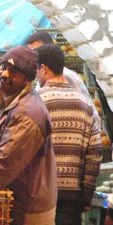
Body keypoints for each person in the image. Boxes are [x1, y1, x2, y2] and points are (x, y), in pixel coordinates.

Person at [0, 46, 57, 225]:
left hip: (28, 209)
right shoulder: (15, 100)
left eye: (14, 71)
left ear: (27, 79)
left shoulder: (27, 112)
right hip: (20, 203)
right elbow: (13, 143)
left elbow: (5, 164)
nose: (4, 74)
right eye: (3, 67)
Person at [36, 44, 102, 225]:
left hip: (40, 194)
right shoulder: (85, 104)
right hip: (73, 196)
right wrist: (87, 192)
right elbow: (95, 152)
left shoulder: (35, 102)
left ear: (43, 68)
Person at [26, 30, 101, 129]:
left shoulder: (65, 75)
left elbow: (91, 114)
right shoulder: (42, 79)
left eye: (37, 51)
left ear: (50, 49)